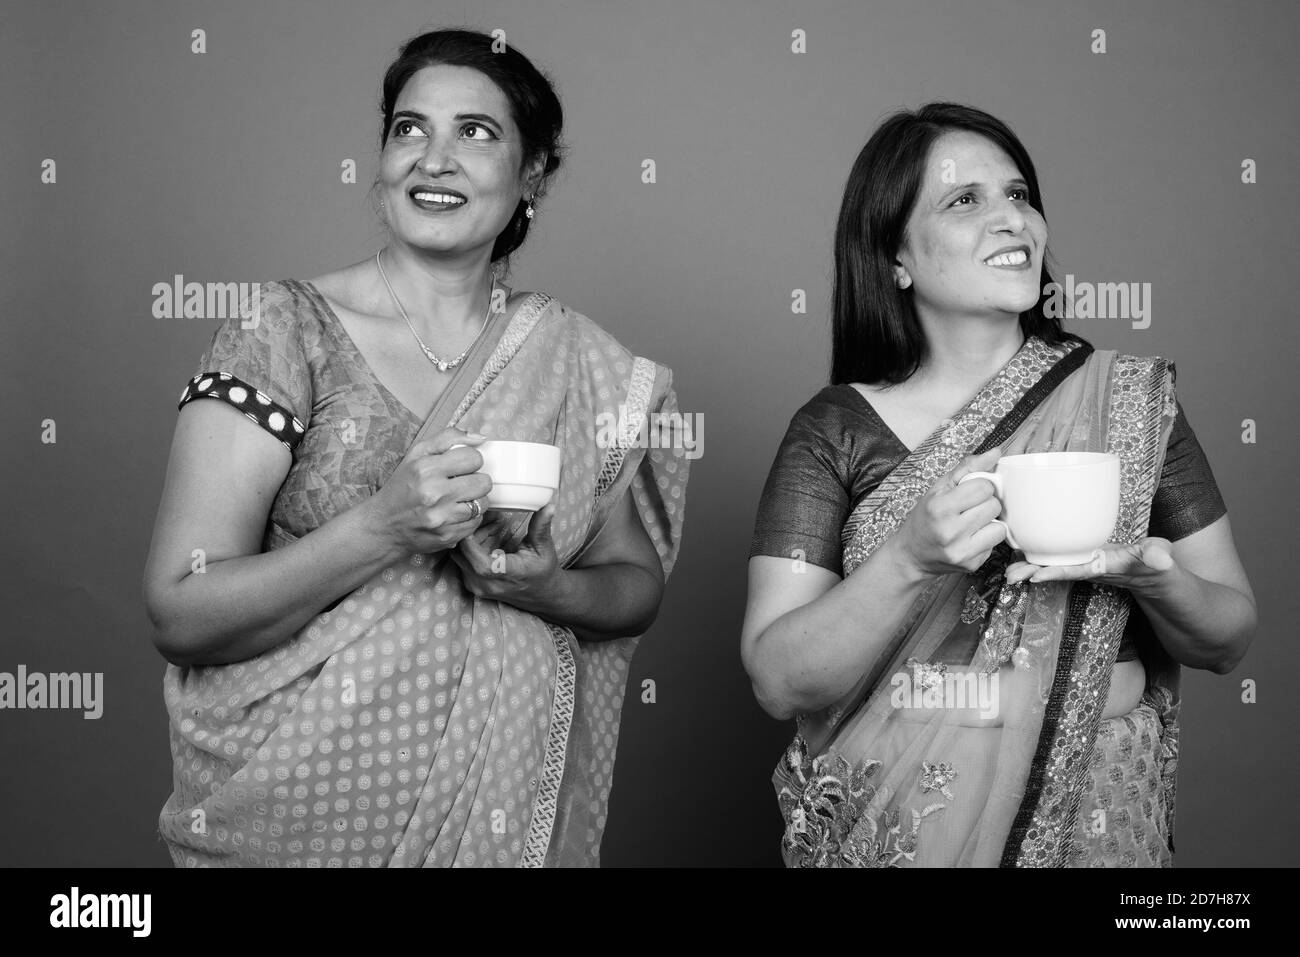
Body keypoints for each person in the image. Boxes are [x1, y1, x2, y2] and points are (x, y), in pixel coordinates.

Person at [143, 29, 690, 867]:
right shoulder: (287, 330)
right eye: (409, 129)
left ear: (533, 171)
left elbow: (634, 587)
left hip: (492, 831)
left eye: (476, 132)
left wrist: (550, 589)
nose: (434, 159)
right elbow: (181, 608)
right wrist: (384, 528)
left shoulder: (575, 361)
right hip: (288, 828)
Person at [741, 102, 1255, 867]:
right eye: (964, 200)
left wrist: (1157, 580)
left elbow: (1228, 635)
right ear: (894, 257)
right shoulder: (836, 430)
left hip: (1101, 817)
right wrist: (911, 558)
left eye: (1019, 195)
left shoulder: (1124, 402)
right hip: (907, 826)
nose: (1011, 220)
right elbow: (779, 678)